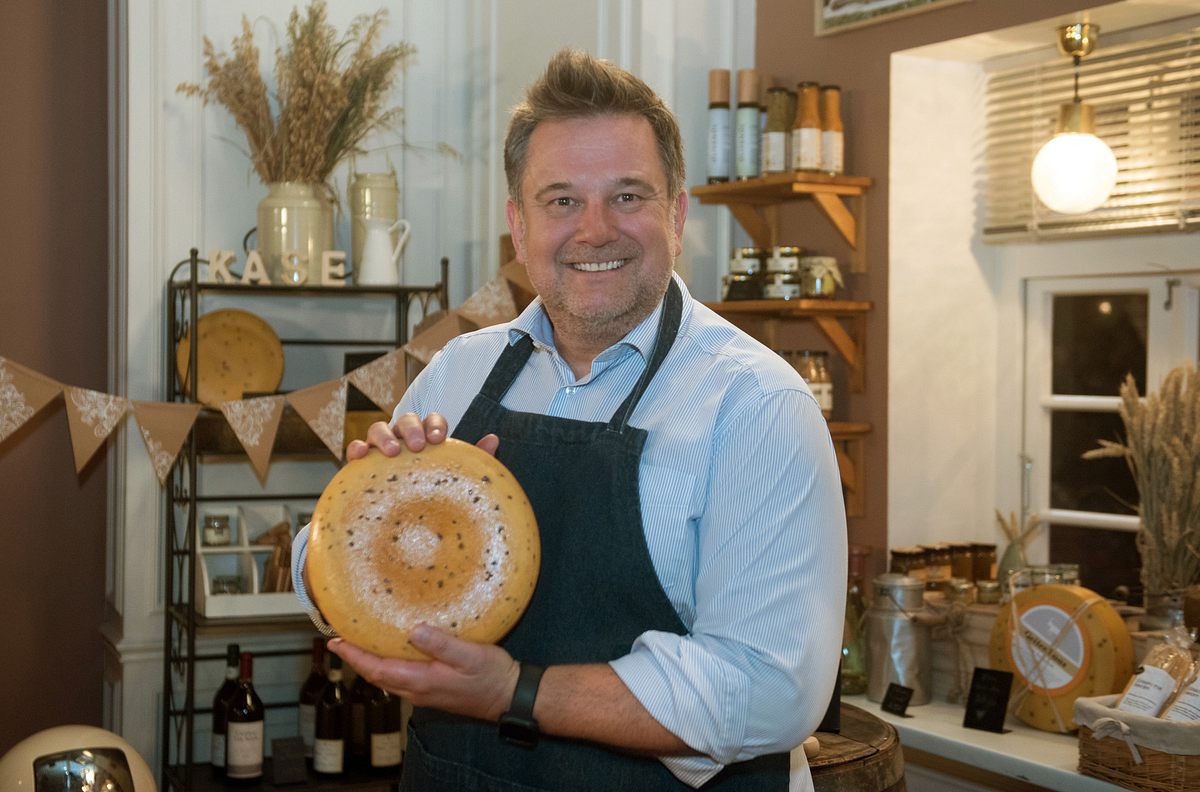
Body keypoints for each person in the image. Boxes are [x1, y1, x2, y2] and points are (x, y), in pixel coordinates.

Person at [292, 48, 847, 791]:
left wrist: (513, 692)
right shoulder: (461, 370)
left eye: (628, 196)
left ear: (676, 215)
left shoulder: (755, 406)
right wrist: (368, 524)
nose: (594, 231)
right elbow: (317, 568)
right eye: (561, 201)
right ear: (518, 228)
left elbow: (768, 692)